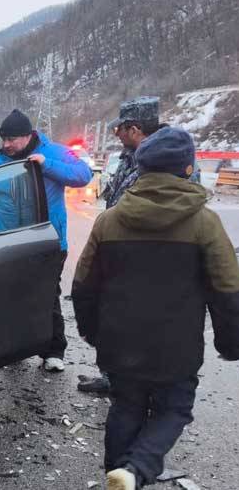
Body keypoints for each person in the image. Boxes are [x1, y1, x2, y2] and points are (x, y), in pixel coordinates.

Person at [71, 127, 239, 490]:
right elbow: (227, 290)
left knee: (126, 406)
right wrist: (230, 342)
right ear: (187, 169)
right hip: (175, 349)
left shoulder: (109, 220)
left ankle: (119, 473)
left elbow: (83, 285)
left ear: (142, 170)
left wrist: (91, 331)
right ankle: (134, 471)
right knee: (173, 409)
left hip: (119, 342)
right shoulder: (204, 223)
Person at [79, 97, 201, 394]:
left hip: (151, 254)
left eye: (119, 129)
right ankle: (114, 376)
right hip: (121, 247)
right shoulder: (128, 157)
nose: (116, 135)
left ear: (134, 129)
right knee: (116, 317)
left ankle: (142, 386)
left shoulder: (171, 159)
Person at [0, 109, 92, 372]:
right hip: (9, 242)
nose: (6, 145)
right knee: (11, 294)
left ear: (28, 136)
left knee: (46, 295)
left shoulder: (53, 152)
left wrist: (47, 165)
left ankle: (54, 350)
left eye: (12, 139)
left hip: (48, 241)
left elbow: (83, 175)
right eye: (4, 139)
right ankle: (14, 348)